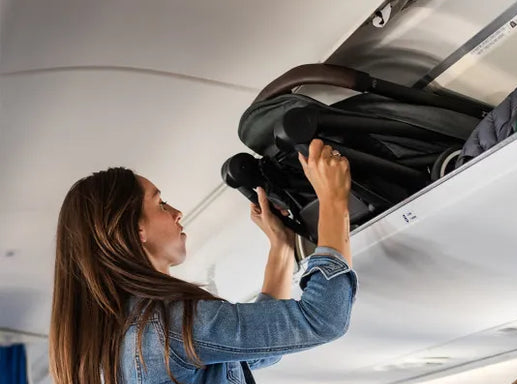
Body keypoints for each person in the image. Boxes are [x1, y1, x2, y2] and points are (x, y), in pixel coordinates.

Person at [49, 139, 357, 384]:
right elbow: (322, 319)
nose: (176, 212)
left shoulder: (117, 337)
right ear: (134, 229)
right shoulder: (167, 323)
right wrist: (333, 199)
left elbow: (255, 350)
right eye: (160, 203)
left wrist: (280, 246)